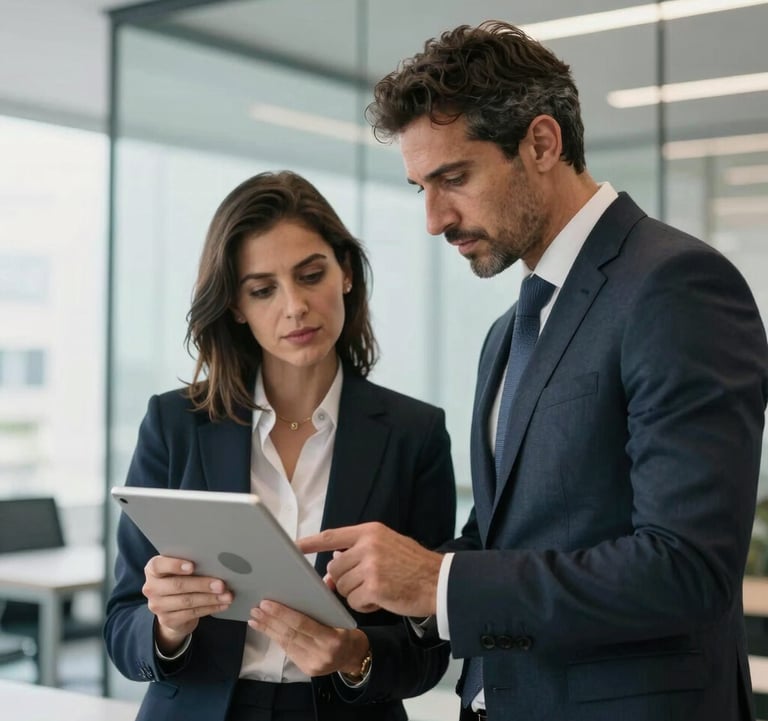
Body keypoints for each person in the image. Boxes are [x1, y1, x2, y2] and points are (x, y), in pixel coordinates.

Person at [298, 21, 768, 721]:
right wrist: (375, 588)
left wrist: (442, 580)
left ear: (542, 143)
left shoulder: (676, 285)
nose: (433, 219)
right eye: (420, 186)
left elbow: (686, 567)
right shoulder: (507, 331)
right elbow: (510, 537)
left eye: (453, 178)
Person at [104, 170, 457, 721]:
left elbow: (430, 645)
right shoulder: (175, 424)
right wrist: (168, 627)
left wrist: (355, 655)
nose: (294, 306)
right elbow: (122, 623)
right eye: (262, 289)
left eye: (310, 274)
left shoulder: (415, 434)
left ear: (344, 273)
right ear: (237, 307)